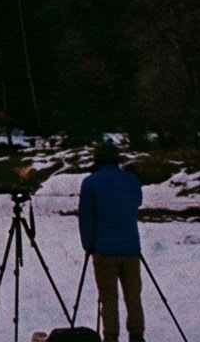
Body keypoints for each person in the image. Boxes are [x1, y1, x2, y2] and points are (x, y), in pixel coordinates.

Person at [76, 140, 145, 342]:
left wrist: (88, 245)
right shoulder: (131, 179)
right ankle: (137, 334)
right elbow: (137, 202)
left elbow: (86, 218)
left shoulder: (91, 182)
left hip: (104, 249)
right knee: (133, 295)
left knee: (108, 298)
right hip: (131, 247)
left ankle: (111, 336)